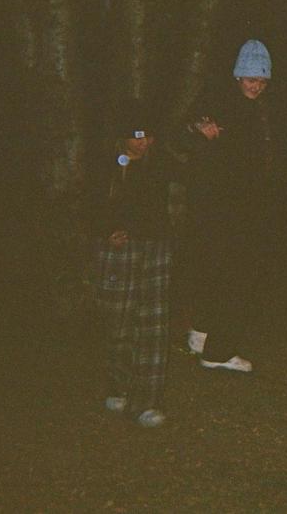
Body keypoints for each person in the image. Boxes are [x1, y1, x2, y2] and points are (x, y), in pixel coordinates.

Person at [176, 39, 287, 373]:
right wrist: (198, 131)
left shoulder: (262, 110)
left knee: (222, 274)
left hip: (246, 207)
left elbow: (268, 158)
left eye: (261, 80)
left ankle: (201, 334)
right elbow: (181, 137)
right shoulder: (218, 102)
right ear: (237, 76)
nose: (256, 86)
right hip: (223, 209)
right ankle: (217, 351)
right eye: (250, 79)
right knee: (235, 279)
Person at [89, 106, 175, 428]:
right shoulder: (106, 166)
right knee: (119, 321)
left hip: (155, 247)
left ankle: (148, 402)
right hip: (118, 252)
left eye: (148, 136)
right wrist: (107, 229)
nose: (143, 143)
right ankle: (119, 385)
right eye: (137, 137)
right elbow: (92, 205)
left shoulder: (159, 163)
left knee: (152, 325)